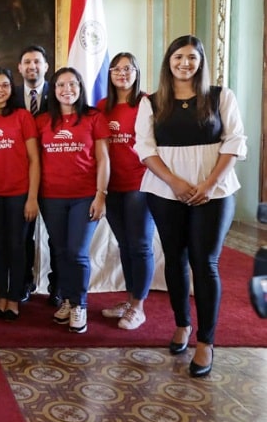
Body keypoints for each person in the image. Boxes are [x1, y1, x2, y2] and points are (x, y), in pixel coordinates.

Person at [135, 35, 246, 377]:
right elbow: (145, 148)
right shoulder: (152, 102)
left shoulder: (220, 96)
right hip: (166, 191)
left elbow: (235, 141)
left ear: (200, 61)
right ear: (168, 61)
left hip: (214, 192)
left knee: (205, 262)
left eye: (192, 57)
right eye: (178, 56)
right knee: (176, 257)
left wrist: (208, 184)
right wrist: (175, 182)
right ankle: (182, 323)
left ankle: (206, 341)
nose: (185, 63)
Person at [36, 67, 110, 334]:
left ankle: (80, 304)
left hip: (85, 196)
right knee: (60, 250)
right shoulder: (42, 121)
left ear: (80, 88)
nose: (67, 90)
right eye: (60, 85)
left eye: (72, 84)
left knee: (77, 252)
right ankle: (67, 299)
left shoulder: (93, 117)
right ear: (53, 91)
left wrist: (101, 194)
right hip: (51, 197)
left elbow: (103, 159)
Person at [0, 68, 39, 321]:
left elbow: (35, 160)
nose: (0, 89)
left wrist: (32, 197)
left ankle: (14, 299)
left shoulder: (22, 117)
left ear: (12, 89)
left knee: (16, 247)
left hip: (19, 195)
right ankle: (1, 297)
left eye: (5, 85)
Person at [96, 53, 154, 331]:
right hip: (112, 186)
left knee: (140, 245)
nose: (122, 73)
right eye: (116, 69)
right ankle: (130, 300)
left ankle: (139, 307)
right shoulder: (102, 106)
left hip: (140, 184)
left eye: (128, 68)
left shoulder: (148, 103)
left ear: (136, 72)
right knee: (125, 245)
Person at [13, 44, 56, 305]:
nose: (32, 66)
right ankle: (25, 282)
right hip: (20, 177)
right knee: (24, 236)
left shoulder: (62, 92)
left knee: (57, 237)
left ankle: (57, 286)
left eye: (37, 62)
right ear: (20, 68)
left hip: (55, 176)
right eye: (27, 62)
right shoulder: (11, 96)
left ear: (46, 66)